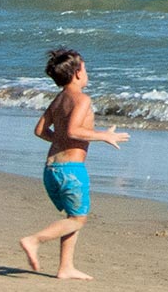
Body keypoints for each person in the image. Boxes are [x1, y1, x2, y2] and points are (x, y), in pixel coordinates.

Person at [18, 48, 128, 279]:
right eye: (85, 68)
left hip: (51, 169)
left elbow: (39, 130)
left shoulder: (59, 99)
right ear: (77, 73)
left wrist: (61, 140)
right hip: (71, 171)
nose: (87, 73)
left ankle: (65, 267)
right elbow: (73, 130)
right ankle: (34, 240)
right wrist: (104, 136)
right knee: (78, 219)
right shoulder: (82, 99)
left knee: (72, 216)